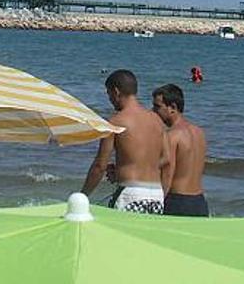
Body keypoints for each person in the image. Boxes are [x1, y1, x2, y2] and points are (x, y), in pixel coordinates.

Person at [80, 70, 166, 214]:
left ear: (116, 91)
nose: (109, 99)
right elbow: (165, 159)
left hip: (130, 194)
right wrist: (123, 168)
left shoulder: (116, 122)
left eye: (108, 94)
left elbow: (99, 166)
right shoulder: (157, 120)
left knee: (120, 236)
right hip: (157, 194)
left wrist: (82, 196)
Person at [152, 84, 209, 217]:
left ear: (173, 108)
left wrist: (159, 204)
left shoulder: (172, 135)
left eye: (157, 106)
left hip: (178, 201)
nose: (153, 111)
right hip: (199, 201)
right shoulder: (199, 133)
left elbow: (167, 174)